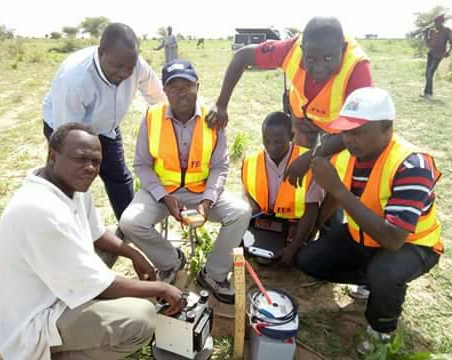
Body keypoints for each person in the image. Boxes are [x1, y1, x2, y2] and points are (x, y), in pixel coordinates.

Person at [0, 123, 183, 360]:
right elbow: (102, 285)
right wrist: (161, 288)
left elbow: (97, 234)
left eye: (96, 161)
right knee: (141, 317)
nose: (90, 168)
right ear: (53, 156)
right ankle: (59, 355)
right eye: (80, 159)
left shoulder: (70, 184)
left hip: (56, 288)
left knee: (114, 243)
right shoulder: (39, 210)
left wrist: (134, 254)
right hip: (33, 319)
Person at [296, 87, 443, 353]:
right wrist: (315, 230)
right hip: (363, 236)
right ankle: (372, 281)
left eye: (358, 131)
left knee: (385, 273)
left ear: (387, 127)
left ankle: (381, 330)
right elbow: (335, 199)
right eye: (346, 131)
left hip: (412, 246)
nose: (349, 139)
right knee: (308, 260)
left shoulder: (412, 166)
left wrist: (337, 187)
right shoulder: (352, 156)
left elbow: (392, 238)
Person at [119, 59, 251, 304]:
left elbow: (220, 166)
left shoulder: (213, 118)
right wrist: (163, 195)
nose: (182, 92)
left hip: (200, 191)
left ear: (197, 87)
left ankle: (213, 274)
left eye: (187, 85)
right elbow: (141, 164)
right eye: (174, 87)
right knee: (129, 222)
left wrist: (208, 199)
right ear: (165, 90)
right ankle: (171, 261)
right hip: (161, 192)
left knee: (241, 212)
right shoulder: (151, 116)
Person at [206, 16, 372, 188]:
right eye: (311, 59)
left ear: (343, 49)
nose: (320, 67)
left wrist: (311, 157)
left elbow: (360, 130)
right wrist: (221, 105)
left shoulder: (357, 68)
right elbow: (242, 56)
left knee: (332, 182)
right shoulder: (289, 50)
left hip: (338, 135)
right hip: (301, 124)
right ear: (302, 50)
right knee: (297, 182)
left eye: (329, 58)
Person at [42, 23, 165, 220]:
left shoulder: (137, 65)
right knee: (71, 180)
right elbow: (67, 135)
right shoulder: (75, 79)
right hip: (65, 127)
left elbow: (159, 98)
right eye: (117, 66)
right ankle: (73, 228)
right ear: (101, 53)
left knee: (119, 177)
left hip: (107, 127)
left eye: (129, 68)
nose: (124, 73)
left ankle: (129, 229)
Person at [241, 112, 326, 266]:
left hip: (295, 224)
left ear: (291, 136)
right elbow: (248, 198)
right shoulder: (251, 161)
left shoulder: (307, 163)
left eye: (278, 142)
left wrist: (294, 247)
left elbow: (312, 211)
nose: (272, 147)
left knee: (302, 260)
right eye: (267, 141)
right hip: (264, 220)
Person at [422, 14, 452, 99]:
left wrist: (448, 51)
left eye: (437, 22)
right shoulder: (432, 32)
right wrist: (425, 34)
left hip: (439, 56)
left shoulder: (447, 31)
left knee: (429, 73)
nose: (435, 24)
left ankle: (429, 94)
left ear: (441, 22)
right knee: (427, 74)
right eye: (434, 22)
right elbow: (427, 45)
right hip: (431, 54)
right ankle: (426, 93)